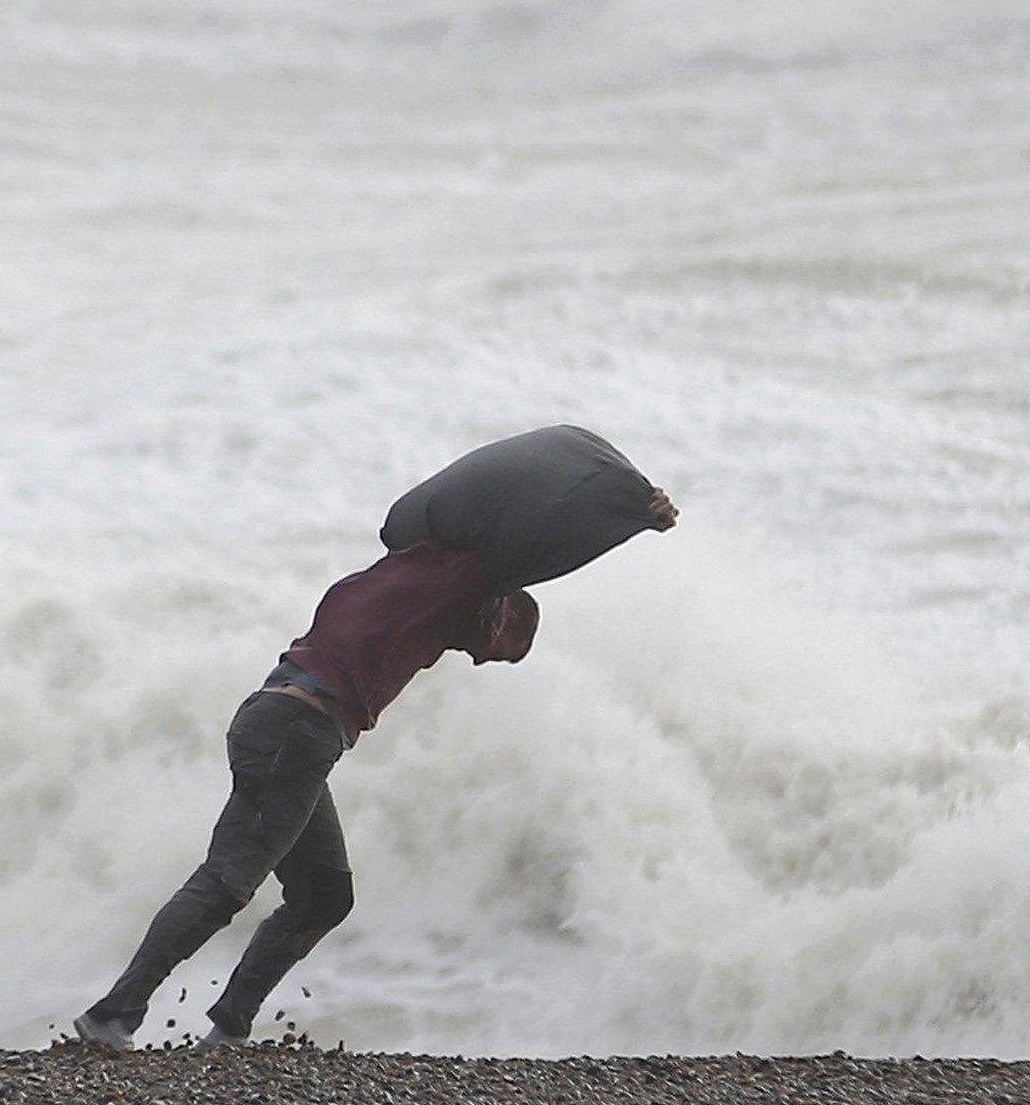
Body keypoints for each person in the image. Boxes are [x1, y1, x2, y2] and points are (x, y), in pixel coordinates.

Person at [72, 426, 677, 1051]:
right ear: (502, 614)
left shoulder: (406, 572)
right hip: (296, 730)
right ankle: (112, 1015)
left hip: (284, 724)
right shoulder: (472, 582)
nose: (478, 662)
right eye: (501, 653)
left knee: (325, 895)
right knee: (228, 879)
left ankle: (227, 1028)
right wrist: (637, 513)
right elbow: (549, 545)